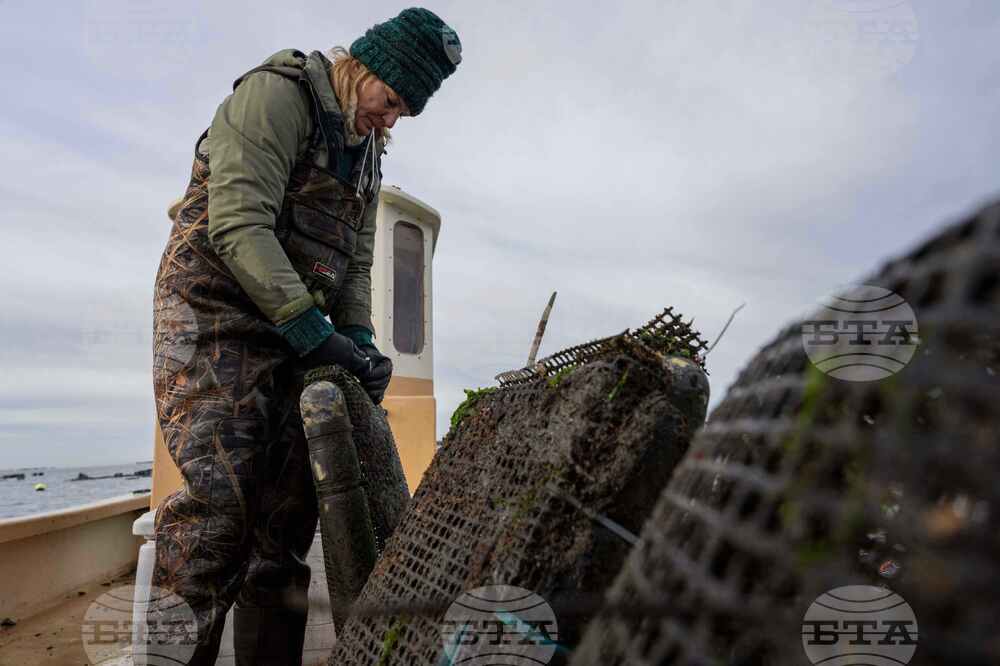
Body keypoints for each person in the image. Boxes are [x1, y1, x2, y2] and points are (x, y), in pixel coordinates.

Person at [149, 8, 461, 664]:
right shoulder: (276, 95)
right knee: (218, 514)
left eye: (405, 110)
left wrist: (355, 337)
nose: (391, 118)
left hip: (298, 330)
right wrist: (312, 331)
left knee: (285, 525)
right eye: (391, 100)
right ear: (365, 69)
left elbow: (357, 261)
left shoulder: (368, 152)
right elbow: (236, 225)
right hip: (217, 318)